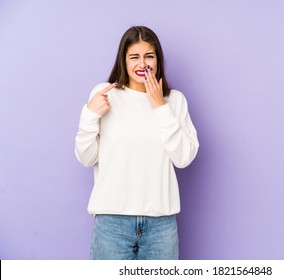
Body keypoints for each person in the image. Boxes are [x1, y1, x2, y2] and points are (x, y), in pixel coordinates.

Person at [75, 26, 199, 260]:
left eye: (149, 56)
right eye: (134, 57)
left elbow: (184, 158)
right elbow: (86, 157)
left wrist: (160, 107)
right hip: (112, 222)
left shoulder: (175, 101)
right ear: (123, 61)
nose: (142, 64)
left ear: (157, 59)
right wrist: (89, 115)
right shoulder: (105, 94)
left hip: (161, 224)